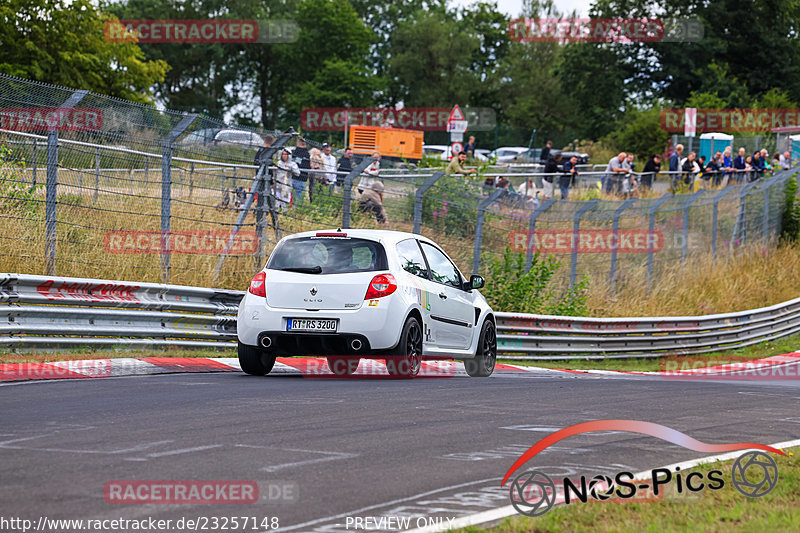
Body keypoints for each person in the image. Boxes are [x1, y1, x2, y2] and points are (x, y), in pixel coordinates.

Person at [292, 138, 311, 204]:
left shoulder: (295, 152)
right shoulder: (306, 154)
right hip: (302, 178)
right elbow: (307, 166)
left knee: (291, 197)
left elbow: (294, 163)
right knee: (299, 199)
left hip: (292, 177)